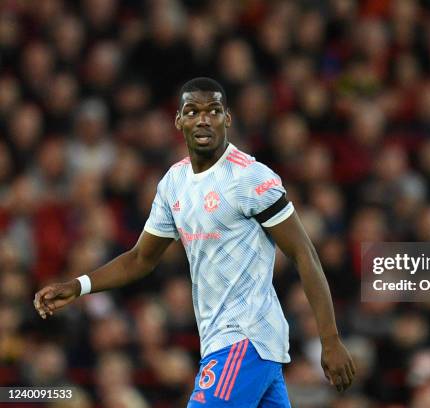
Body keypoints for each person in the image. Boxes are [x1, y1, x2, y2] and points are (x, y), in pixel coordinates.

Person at [34, 77, 356, 407]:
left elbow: (305, 254)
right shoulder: (174, 182)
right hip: (229, 342)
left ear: (227, 119)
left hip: (244, 338)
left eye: (213, 110)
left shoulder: (251, 178)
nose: (203, 119)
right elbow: (140, 259)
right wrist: (79, 285)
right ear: (178, 120)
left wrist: (329, 339)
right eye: (192, 111)